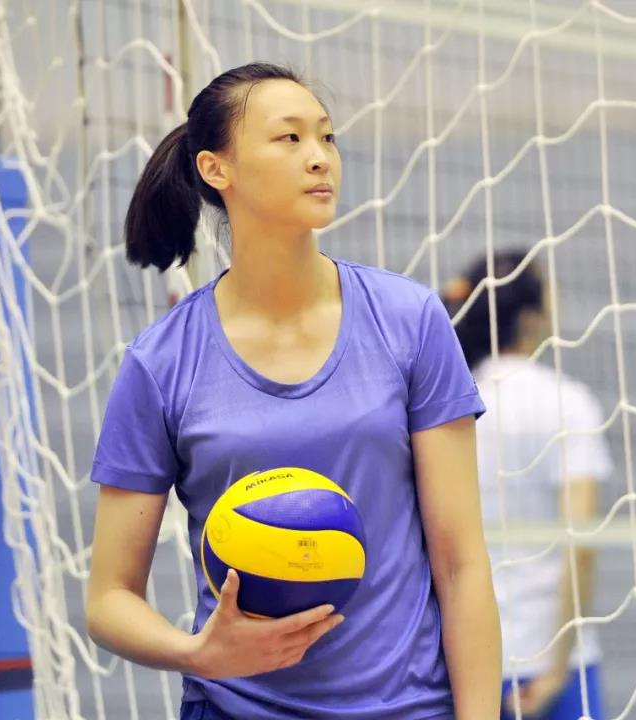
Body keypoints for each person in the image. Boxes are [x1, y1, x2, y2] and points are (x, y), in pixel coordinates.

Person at [84, 62, 501, 720]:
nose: (319, 157)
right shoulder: (160, 361)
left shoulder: (410, 320)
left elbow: (461, 563)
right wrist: (199, 653)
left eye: (327, 137)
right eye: (290, 138)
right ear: (216, 168)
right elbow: (109, 598)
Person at [445, 251, 612, 720]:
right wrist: (557, 670)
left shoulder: (448, 403)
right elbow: (581, 543)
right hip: (551, 659)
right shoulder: (566, 402)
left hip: (465, 660)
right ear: (530, 318)